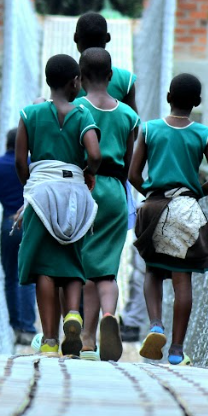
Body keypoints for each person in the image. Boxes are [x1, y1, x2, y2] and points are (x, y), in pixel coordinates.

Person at [127, 73, 208, 365]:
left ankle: (155, 324)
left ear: (168, 97)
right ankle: (176, 349)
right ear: (197, 103)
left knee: (153, 272)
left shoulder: (150, 129)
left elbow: (133, 174)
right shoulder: (203, 134)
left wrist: (152, 193)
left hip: (154, 206)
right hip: (186, 207)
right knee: (183, 280)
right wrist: (195, 194)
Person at [16, 54, 102, 357]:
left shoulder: (30, 114)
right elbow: (94, 154)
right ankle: (74, 316)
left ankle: (50, 340)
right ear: (75, 82)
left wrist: (33, 185)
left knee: (44, 268)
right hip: (74, 193)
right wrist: (88, 173)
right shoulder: (82, 115)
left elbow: (19, 161)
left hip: (41, 195)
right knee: (73, 261)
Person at [74, 48, 139, 362]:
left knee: (86, 264)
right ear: (111, 76)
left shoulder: (75, 108)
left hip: (84, 188)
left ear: (80, 78)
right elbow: (129, 161)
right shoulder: (128, 114)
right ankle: (108, 316)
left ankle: (87, 338)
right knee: (107, 269)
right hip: (115, 190)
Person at [0, 128, 37, 345]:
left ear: (6, 143)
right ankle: (28, 328)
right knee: (28, 277)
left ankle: (14, 326)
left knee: (10, 277)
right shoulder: (33, 165)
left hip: (7, 222)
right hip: (30, 222)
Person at [73, 13, 137, 112]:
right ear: (107, 38)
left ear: (75, 38)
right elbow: (133, 123)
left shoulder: (67, 77)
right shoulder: (125, 80)